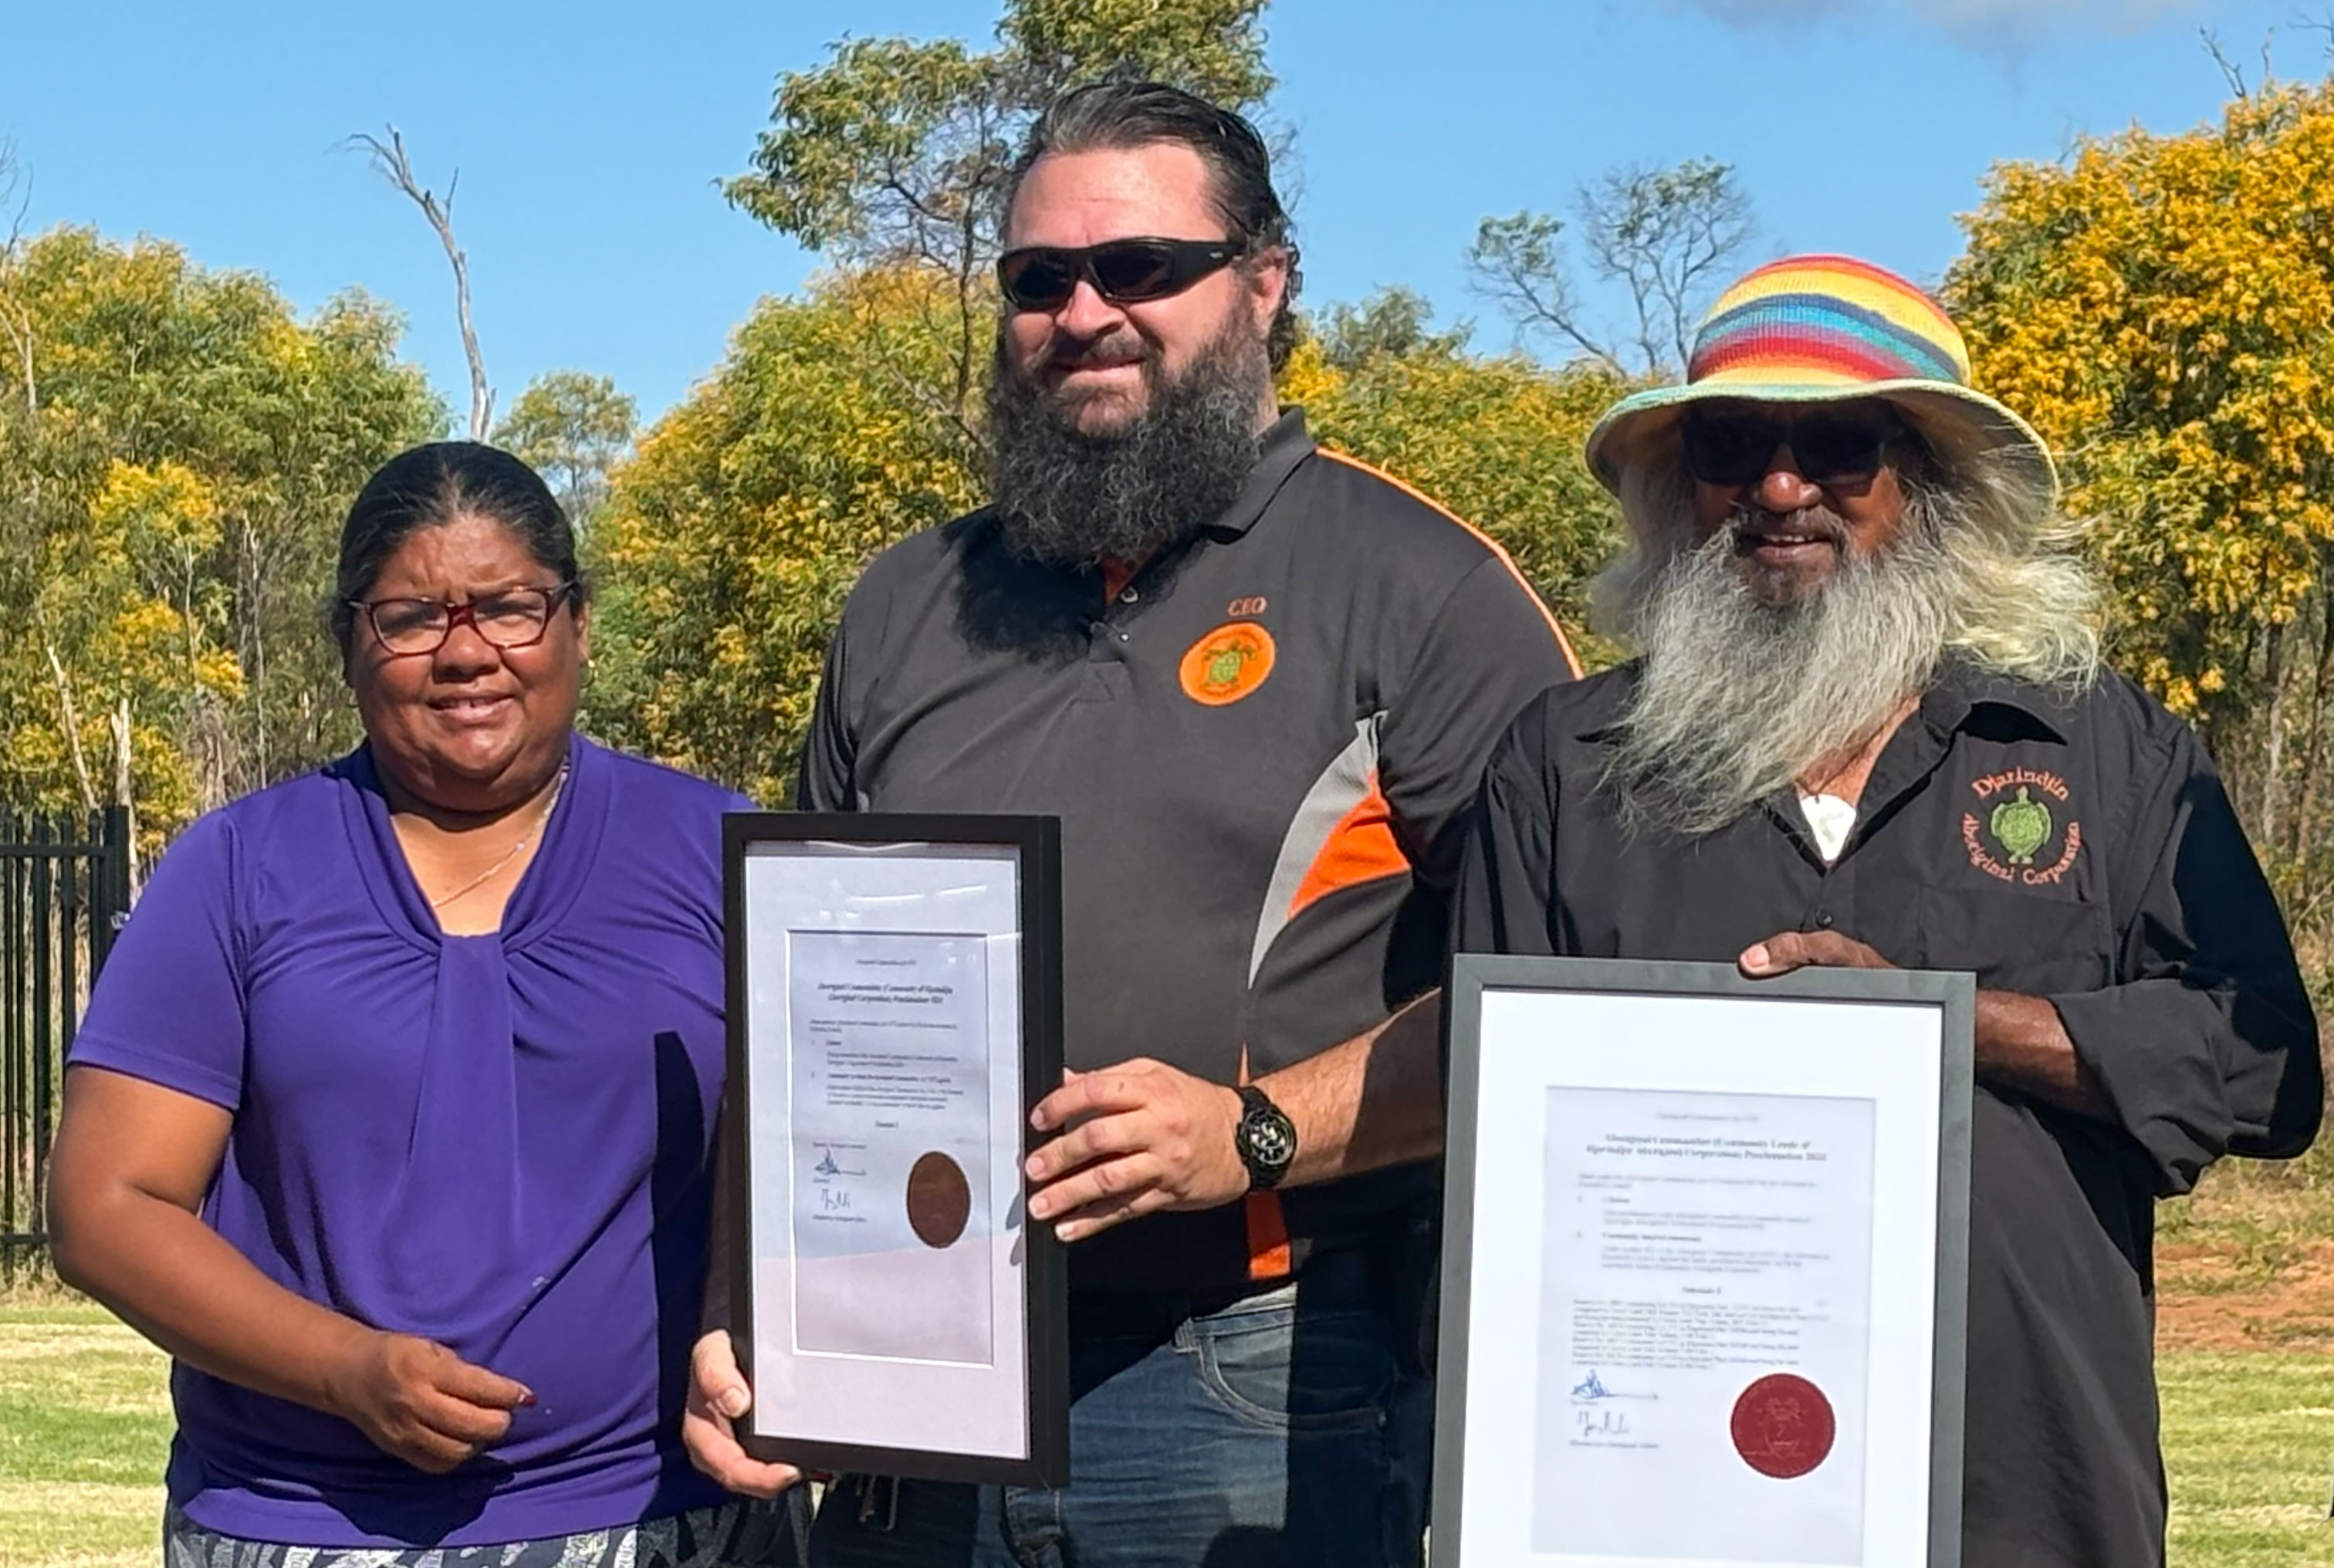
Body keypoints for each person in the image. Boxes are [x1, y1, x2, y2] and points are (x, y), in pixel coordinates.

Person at [682, 79, 1578, 1566]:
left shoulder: (1425, 591)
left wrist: (1255, 1133)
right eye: (1038, 280)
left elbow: (1556, 1008)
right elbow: (788, 1014)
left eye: (1141, 268)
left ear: (1266, 285)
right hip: (907, 1382)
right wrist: (743, 1299)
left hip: (1259, 1371)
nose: (1084, 311)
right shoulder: (907, 604)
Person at [1454, 255, 2324, 1567]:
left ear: (1928, 485)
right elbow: (1485, 1131)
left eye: (1841, 446)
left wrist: (1946, 1028)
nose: (1782, 488)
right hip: (1653, 1496)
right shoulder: (1565, 766)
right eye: (1734, 442)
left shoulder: (2109, 751)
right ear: (1678, 485)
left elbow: (2268, 1066)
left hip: (2024, 1494)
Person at [48, 443, 803, 1566]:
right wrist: (341, 1370)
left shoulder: (719, 851)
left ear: (578, 626)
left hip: (672, 1516)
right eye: (409, 617)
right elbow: (108, 1206)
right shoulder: (237, 869)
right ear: (351, 643)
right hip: (301, 1521)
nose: (465, 654)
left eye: (508, 608)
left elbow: (827, 1147)